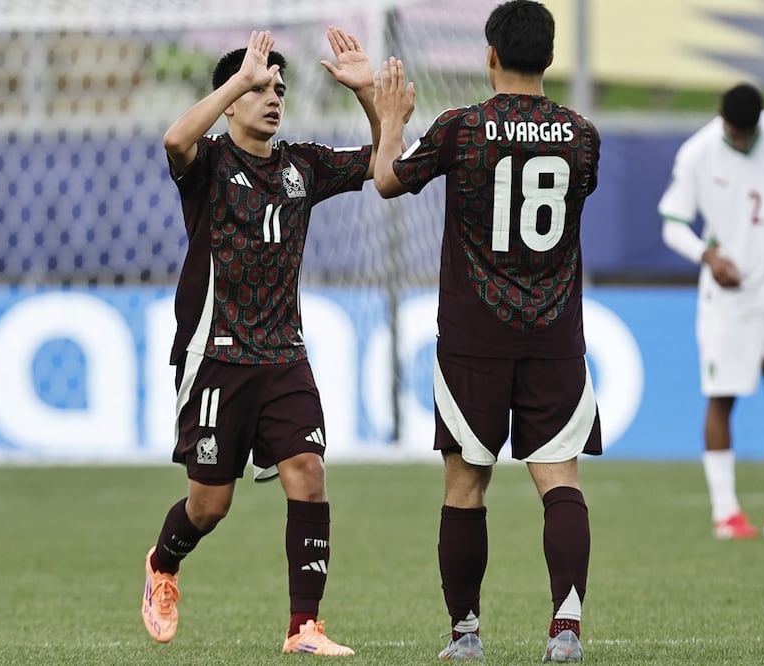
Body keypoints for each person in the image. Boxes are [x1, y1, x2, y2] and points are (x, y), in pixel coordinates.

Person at [140, 27, 380, 656]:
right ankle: (163, 565)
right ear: (233, 94)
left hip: (283, 358)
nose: (273, 97)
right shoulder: (211, 162)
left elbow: (387, 167)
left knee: (309, 472)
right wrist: (235, 82)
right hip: (215, 357)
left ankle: (305, 627)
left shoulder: (304, 165)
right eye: (260, 87)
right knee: (209, 506)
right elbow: (174, 139)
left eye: (280, 88)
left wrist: (370, 99)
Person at [373, 2, 601, 662]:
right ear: (549, 57)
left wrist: (389, 122)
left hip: (474, 333)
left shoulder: (461, 129)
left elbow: (388, 181)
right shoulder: (581, 135)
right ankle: (565, 628)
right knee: (559, 479)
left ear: (489, 55)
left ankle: (466, 634)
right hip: (553, 333)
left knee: (465, 484)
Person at [659, 83, 764, 541]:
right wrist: (707, 257)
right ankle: (726, 513)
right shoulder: (697, 152)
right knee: (723, 397)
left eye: (747, 133)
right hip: (728, 300)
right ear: (721, 118)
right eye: (735, 132)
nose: (741, 141)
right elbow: (673, 225)